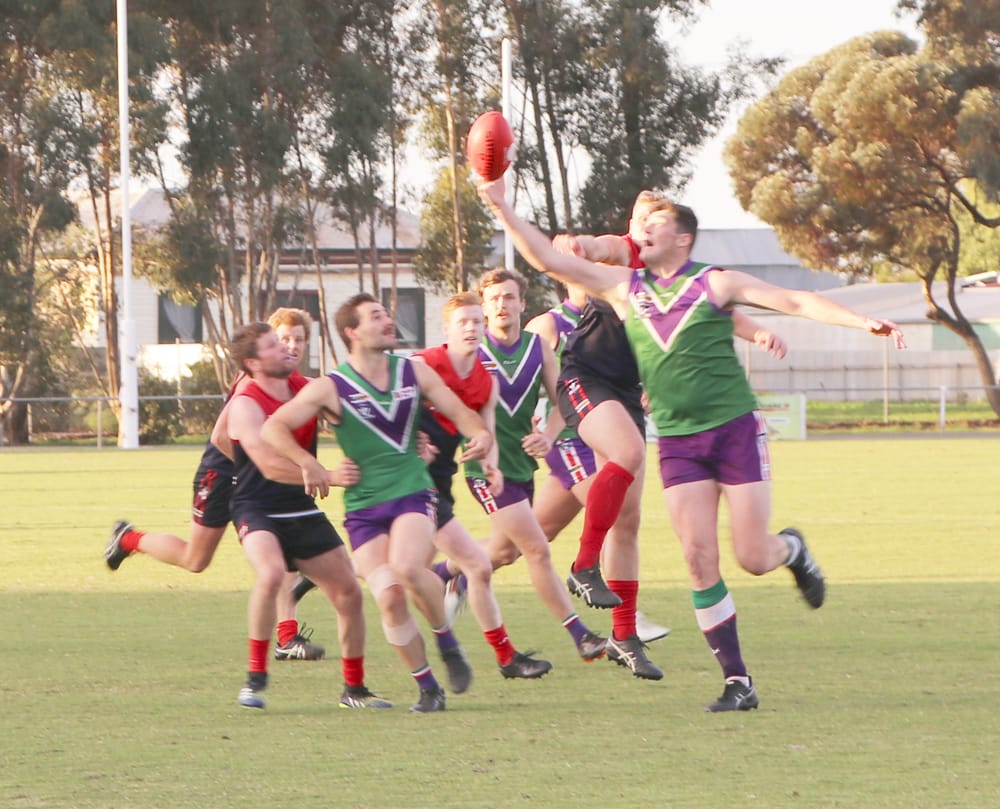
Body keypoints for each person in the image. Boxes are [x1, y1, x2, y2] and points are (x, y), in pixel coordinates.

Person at [479, 176, 906, 711]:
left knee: (752, 556)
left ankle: (791, 549)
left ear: (683, 238)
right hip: (679, 440)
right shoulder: (625, 287)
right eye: (640, 225)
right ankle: (737, 682)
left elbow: (793, 298)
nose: (641, 232)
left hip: (731, 429)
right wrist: (501, 204)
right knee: (699, 560)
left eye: (655, 224)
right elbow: (547, 258)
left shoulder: (715, 282)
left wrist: (863, 321)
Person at [261, 293, 494, 713]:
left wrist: (481, 435)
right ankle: (428, 687)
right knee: (388, 598)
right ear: (352, 332)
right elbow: (274, 428)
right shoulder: (331, 387)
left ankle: (446, 641)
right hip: (364, 507)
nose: (388, 321)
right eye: (376, 316)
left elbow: (462, 412)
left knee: (406, 568)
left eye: (387, 313)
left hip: (412, 490)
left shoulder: (413, 372)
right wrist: (312, 466)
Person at [104, 307, 325, 661]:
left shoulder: (299, 385)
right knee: (196, 559)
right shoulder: (250, 382)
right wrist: (251, 471)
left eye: (299, 340)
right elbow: (222, 436)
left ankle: (287, 638)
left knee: (285, 552)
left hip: (263, 479)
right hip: (224, 474)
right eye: (283, 339)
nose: (292, 346)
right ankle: (128, 538)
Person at [224, 321, 389, 710]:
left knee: (348, 590)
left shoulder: (306, 388)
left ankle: (354, 690)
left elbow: (360, 415)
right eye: (272, 346)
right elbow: (266, 464)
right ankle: (255, 680)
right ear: (252, 362)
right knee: (269, 574)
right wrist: (328, 475)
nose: (285, 348)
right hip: (256, 506)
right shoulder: (245, 402)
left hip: (300, 507)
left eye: (286, 342)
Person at [454, 268, 607, 664]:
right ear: (484, 308)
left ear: (523, 303)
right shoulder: (468, 351)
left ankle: (446, 572)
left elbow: (563, 401)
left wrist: (550, 436)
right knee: (537, 549)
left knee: (504, 553)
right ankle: (582, 636)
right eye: (493, 299)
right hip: (486, 471)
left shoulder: (538, 348)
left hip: (522, 468)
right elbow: (436, 399)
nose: (501, 305)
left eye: (508, 297)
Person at [415, 291, 553, 681]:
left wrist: (489, 463)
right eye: (464, 322)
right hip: (402, 487)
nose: (473, 328)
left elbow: (481, 427)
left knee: (475, 565)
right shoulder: (423, 364)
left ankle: (499, 659)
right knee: (399, 579)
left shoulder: (482, 380)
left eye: (477, 321)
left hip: (437, 487)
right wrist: (411, 438)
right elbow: (386, 401)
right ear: (446, 330)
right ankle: (478, 658)